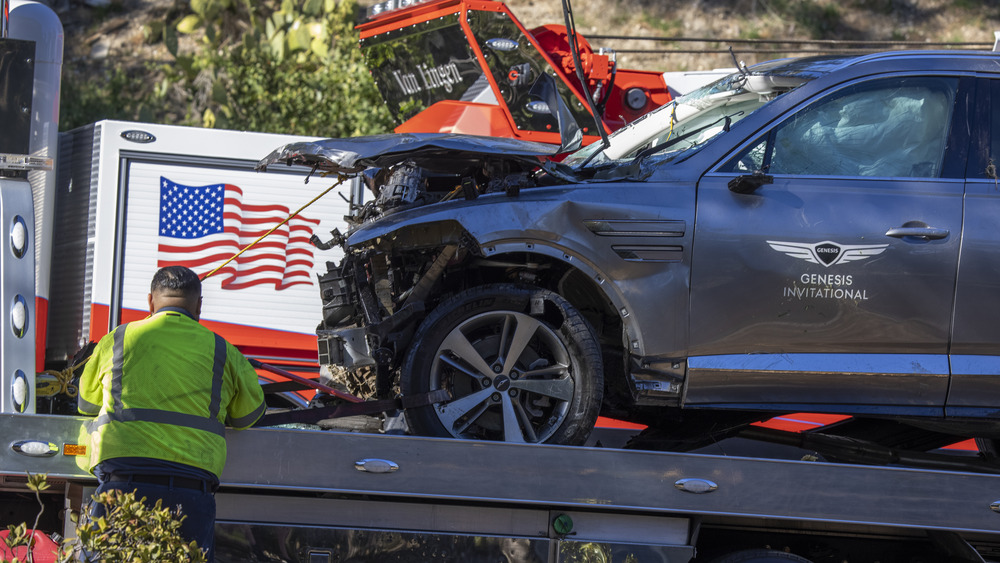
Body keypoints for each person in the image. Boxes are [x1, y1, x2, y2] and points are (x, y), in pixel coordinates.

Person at [77, 265, 266, 561]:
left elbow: (86, 405)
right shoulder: (222, 350)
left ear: (150, 302)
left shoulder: (117, 339)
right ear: (199, 306)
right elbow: (247, 416)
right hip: (191, 488)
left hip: (121, 481)